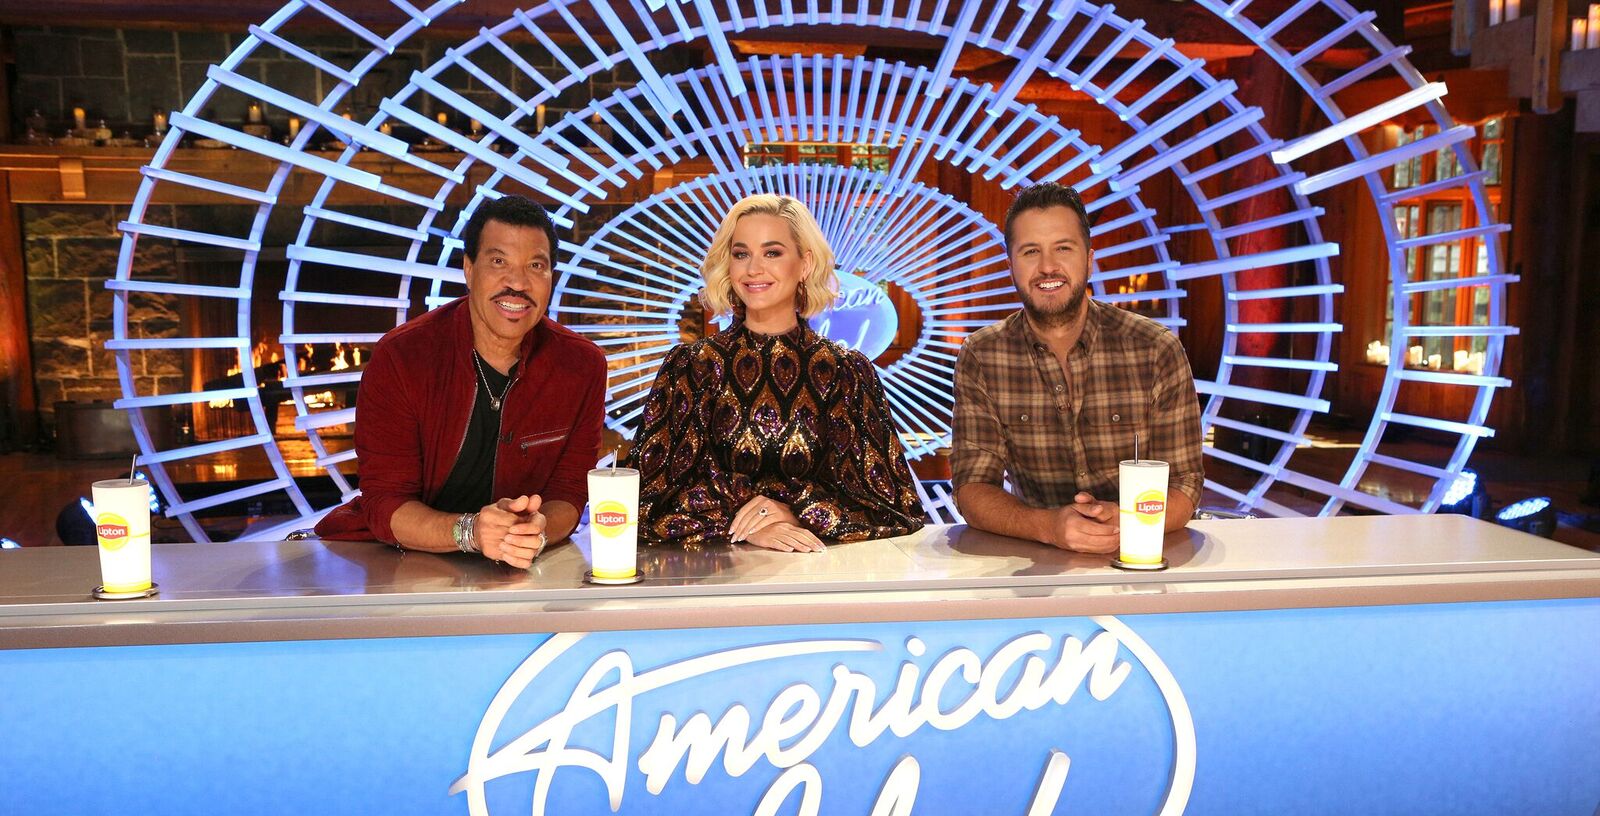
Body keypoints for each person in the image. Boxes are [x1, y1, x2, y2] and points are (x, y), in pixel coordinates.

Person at [315, 195, 605, 567]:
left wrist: (536, 531)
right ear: (469, 269)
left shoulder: (582, 365)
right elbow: (385, 503)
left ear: (552, 278)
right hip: (397, 563)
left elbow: (568, 491)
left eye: (536, 266)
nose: (517, 283)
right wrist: (470, 532)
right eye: (498, 261)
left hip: (519, 569)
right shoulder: (402, 356)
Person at [631, 194, 923, 551]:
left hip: (818, 580)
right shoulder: (692, 367)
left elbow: (895, 508)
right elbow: (643, 502)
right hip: (710, 579)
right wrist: (745, 523)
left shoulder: (846, 372)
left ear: (804, 264)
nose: (754, 269)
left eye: (772, 253)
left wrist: (793, 510)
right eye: (741, 254)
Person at [951, 182, 1203, 554]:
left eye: (1063, 249)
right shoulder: (982, 355)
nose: (1047, 266)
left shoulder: (1155, 348)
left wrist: (1128, 520)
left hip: (1147, 559)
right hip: (1036, 567)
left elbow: (1184, 482)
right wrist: (1049, 526)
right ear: (1010, 266)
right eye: (1030, 251)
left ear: (1088, 258)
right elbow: (972, 488)